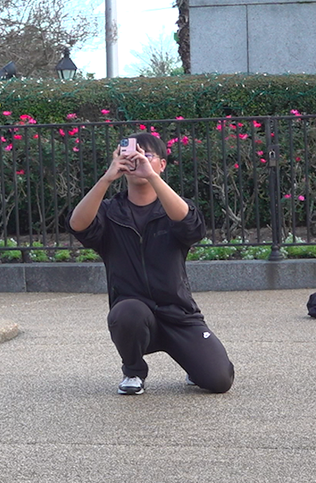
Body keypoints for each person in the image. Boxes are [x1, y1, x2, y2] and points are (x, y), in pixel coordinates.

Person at [68, 132, 233, 395]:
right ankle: (133, 371)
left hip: (179, 315)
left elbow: (190, 226)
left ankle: (192, 362)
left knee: (219, 380)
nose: (138, 161)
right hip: (135, 315)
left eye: (147, 155)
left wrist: (152, 178)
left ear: (162, 164)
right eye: (131, 154)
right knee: (126, 313)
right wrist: (107, 178)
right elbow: (78, 224)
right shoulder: (110, 211)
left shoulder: (172, 207)